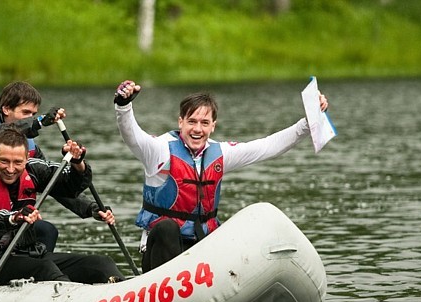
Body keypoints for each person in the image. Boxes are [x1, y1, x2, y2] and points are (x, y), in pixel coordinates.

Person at [113, 79, 329, 272]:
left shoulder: (220, 153)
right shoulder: (159, 150)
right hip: (161, 255)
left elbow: (267, 147)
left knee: (238, 225)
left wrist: (307, 123)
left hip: (200, 249)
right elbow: (132, 136)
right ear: (181, 122)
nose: (197, 129)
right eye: (192, 122)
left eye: (204, 123)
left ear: (213, 126)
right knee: (167, 227)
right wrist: (124, 106)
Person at [0, 81, 114, 251]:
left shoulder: (27, 148)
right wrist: (40, 122)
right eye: (26, 113)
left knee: (47, 231)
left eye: (33, 114)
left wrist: (91, 208)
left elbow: (51, 185)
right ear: (6, 109)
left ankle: (35, 276)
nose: (30, 118)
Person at [0, 125, 124, 286]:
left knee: (101, 264)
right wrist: (14, 217)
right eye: (4, 161)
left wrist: (77, 163)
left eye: (18, 162)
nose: (11, 169)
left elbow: (69, 184)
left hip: (27, 254)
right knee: (44, 268)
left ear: (27, 158)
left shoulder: (34, 169)